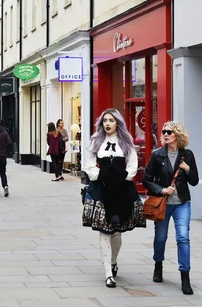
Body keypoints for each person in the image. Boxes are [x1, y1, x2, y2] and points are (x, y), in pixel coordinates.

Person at [82, 108, 145, 288]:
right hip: (101, 189)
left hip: (122, 190)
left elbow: (133, 165)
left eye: (111, 120)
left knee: (117, 232)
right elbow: (89, 165)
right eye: (104, 121)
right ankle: (108, 273)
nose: (107, 124)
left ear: (118, 123)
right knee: (104, 230)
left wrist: (122, 176)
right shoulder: (95, 141)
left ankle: (114, 261)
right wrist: (100, 175)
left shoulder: (126, 142)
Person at [143, 121, 199, 295]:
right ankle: (158, 265)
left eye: (169, 132)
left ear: (177, 135)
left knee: (183, 238)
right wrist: (161, 190)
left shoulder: (187, 155)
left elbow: (195, 181)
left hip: (182, 203)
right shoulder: (157, 155)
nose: (165, 134)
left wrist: (187, 168)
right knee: (160, 238)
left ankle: (185, 277)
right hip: (163, 204)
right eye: (163, 132)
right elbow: (146, 179)